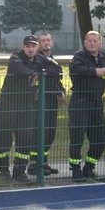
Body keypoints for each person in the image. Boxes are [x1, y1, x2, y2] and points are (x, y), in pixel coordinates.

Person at [0, 35, 62, 182]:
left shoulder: (40, 59)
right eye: (28, 46)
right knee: (4, 138)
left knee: (25, 138)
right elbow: (20, 69)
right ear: (23, 47)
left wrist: (42, 73)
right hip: (8, 104)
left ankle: (19, 171)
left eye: (33, 46)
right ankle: (3, 170)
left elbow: (57, 68)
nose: (31, 49)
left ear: (37, 47)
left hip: (27, 105)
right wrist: (34, 73)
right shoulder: (15, 58)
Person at [68, 31, 105, 182]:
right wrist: (94, 71)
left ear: (100, 43)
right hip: (80, 101)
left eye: (95, 41)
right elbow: (75, 69)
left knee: (100, 140)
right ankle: (76, 170)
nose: (92, 44)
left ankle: (89, 168)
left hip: (96, 103)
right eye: (89, 41)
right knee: (77, 139)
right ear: (85, 42)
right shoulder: (79, 56)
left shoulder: (104, 57)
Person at [28, 32, 65, 176]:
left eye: (48, 40)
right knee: (39, 133)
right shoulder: (36, 59)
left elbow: (56, 76)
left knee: (49, 133)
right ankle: (34, 165)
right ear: (38, 44)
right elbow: (39, 76)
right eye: (42, 41)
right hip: (38, 100)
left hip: (51, 100)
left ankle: (43, 163)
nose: (46, 43)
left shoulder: (52, 59)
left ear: (52, 42)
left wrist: (61, 91)